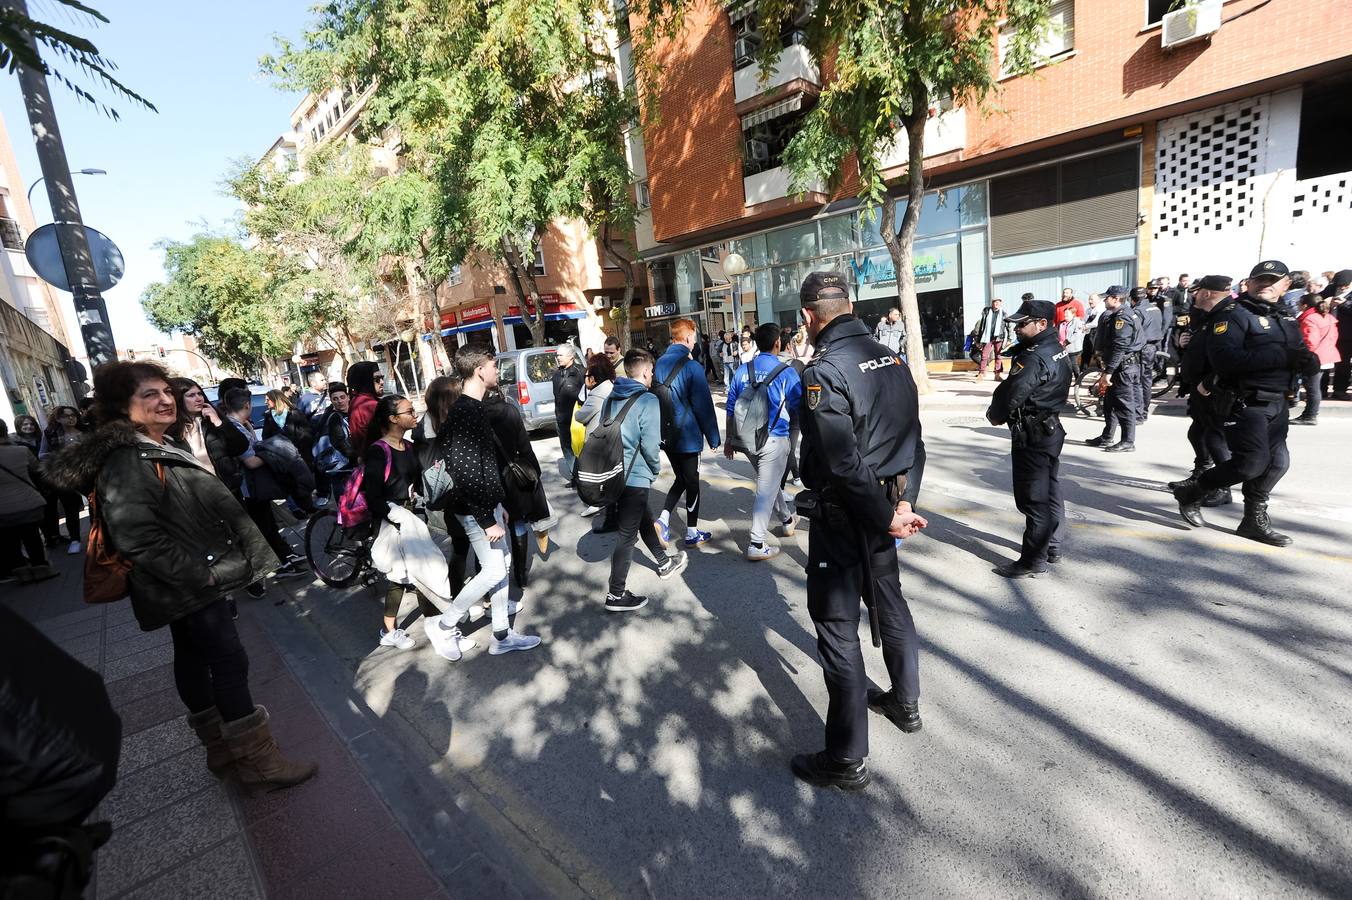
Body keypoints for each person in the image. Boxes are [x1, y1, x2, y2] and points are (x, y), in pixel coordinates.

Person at [42, 361, 315, 791]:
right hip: (186, 581)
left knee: (192, 656)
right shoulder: (130, 457)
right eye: (148, 394)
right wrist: (200, 576)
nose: (165, 399)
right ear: (120, 406)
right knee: (227, 659)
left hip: (180, 580)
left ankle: (222, 752)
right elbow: (137, 536)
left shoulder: (151, 445)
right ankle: (260, 762)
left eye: (165, 391)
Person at [790, 271, 928, 792]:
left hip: (849, 517)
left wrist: (888, 513)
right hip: (884, 508)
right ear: (848, 305)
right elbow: (914, 437)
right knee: (889, 602)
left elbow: (843, 463)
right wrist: (903, 499)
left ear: (809, 316)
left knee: (837, 626)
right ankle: (905, 702)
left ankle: (846, 758)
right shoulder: (892, 358)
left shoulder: (824, 372)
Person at [1173, 261, 1316, 546]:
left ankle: (1253, 519)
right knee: (1250, 464)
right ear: (1248, 284)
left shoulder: (1285, 318)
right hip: (1244, 402)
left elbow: (1300, 352)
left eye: (1273, 281)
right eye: (1260, 280)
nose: (1267, 285)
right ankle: (1193, 490)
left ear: (1286, 285)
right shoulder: (1235, 316)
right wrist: (1284, 357)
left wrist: (1308, 361)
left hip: (1278, 401)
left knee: (1278, 463)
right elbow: (1226, 361)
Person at [439, 345, 542, 656]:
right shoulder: (466, 411)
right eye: (493, 365)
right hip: (474, 512)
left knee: (503, 564)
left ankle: (501, 635)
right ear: (479, 370)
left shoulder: (473, 408)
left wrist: (499, 506)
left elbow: (484, 467)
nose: (497, 370)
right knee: (495, 571)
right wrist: (486, 519)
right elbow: (465, 471)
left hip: (487, 507)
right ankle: (445, 625)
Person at [361, 393, 470, 656]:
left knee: (409, 577)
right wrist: (398, 517)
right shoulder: (378, 451)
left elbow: (417, 482)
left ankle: (394, 631)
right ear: (393, 419)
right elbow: (372, 496)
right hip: (393, 523)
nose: (414, 415)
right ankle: (436, 632)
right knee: (416, 575)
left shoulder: (408, 447)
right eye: (409, 412)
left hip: (413, 519)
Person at [985, 301, 1073, 578]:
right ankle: (1052, 546)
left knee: (1033, 500)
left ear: (1042, 324)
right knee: (1050, 492)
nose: (1017, 328)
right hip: (1049, 428)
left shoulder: (1034, 356)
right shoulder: (1056, 348)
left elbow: (1014, 393)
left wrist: (995, 415)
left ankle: (1033, 560)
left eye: (1023, 324)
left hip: (1032, 433)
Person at [602, 348, 689, 612]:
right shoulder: (647, 400)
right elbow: (650, 445)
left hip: (615, 473)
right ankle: (616, 594)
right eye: (650, 370)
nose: (652, 374)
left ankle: (663, 562)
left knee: (643, 518)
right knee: (627, 535)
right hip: (635, 476)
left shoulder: (611, 396)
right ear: (643, 372)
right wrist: (653, 471)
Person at [725, 322, 802, 561]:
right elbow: (799, 407)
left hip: (747, 440)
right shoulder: (785, 371)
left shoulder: (742, 370)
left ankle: (787, 520)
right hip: (774, 439)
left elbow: (730, 407)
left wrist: (729, 440)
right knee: (766, 488)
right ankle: (757, 543)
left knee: (769, 483)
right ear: (778, 342)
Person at [220, 389, 307, 581]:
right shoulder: (233, 428)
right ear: (247, 405)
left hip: (252, 488)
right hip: (248, 488)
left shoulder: (237, 425)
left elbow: (255, 445)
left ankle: (285, 557)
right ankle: (280, 564)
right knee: (263, 527)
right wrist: (277, 453)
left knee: (268, 524)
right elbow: (251, 460)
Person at [1169, 275, 1236, 509]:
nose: (1193, 295)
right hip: (1198, 387)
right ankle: (1201, 474)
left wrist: (1209, 383)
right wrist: (1184, 342)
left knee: (1215, 439)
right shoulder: (1204, 315)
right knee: (1197, 433)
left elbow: (1227, 357)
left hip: (1213, 390)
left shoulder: (1227, 315)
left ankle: (1222, 487)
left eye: (1197, 291)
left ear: (1207, 293)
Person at [655, 318, 722, 547]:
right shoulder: (692, 367)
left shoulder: (659, 363)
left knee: (681, 478)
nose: (694, 342)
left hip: (666, 434)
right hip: (687, 436)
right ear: (687, 338)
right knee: (692, 482)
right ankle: (691, 531)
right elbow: (703, 406)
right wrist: (713, 437)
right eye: (693, 338)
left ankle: (663, 519)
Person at [484, 381, 553, 589]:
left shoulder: (475, 415)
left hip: (487, 476)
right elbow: (525, 446)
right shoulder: (510, 411)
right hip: (512, 476)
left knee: (489, 525)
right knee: (517, 522)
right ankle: (520, 574)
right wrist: (535, 471)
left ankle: (492, 578)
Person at [412, 376, 471, 596]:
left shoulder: (421, 427)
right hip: (454, 495)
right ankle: (473, 598)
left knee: (459, 546)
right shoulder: (451, 426)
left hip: (437, 497)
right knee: (468, 546)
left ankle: (456, 593)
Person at [1086, 286, 1143, 452]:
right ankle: (1107, 436)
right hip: (1118, 366)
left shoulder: (1122, 317)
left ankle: (1128, 441)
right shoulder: (1119, 314)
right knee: (1110, 404)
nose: (1104, 300)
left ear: (1116, 299)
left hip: (1123, 368)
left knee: (1124, 405)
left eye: (1107, 298)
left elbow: (1120, 347)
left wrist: (1109, 372)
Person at [0, 420, 57, 583]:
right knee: (32, 537)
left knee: (10, 541)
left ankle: (22, 573)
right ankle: (41, 569)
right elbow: (38, 469)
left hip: (2, 509)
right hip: (28, 502)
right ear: (5, 431)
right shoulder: (22, 450)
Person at [169, 377, 249, 493]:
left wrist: (218, 422)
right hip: (197, 493)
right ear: (179, 399)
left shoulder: (213, 420)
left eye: (200, 394)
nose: (198, 399)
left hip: (227, 490)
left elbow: (240, 447)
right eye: (191, 395)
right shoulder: (172, 429)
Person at [575, 356, 618, 527]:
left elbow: (580, 416)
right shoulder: (611, 388)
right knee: (611, 479)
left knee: (599, 480)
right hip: (611, 439)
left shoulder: (596, 395)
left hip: (598, 442)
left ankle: (609, 517)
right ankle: (611, 517)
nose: (585, 379)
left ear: (593, 378)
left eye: (587, 375)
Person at [38, 406, 86, 554]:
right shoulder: (51, 434)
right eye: (66, 416)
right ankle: (75, 539)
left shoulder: (85, 432)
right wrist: (61, 457)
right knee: (71, 508)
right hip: (64, 476)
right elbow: (42, 455)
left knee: (97, 504)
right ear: (58, 418)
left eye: (73, 415)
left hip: (87, 473)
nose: (70, 418)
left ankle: (100, 536)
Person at [1294, 293, 1338, 425]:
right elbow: (1334, 336)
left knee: (1312, 388)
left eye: (1299, 303)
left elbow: (1310, 341)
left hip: (1314, 357)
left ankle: (1310, 415)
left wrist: (1306, 357)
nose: (1297, 305)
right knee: (1314, 387)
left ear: (1305, 305)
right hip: (1326, 355)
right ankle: (1309, 415)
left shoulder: (1310, 318)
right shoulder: (1327, 316)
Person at [1132, 286, 1165, 424]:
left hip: (1142, 347)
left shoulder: (1137, 311)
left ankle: (1139, 414)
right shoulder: (1155, 308)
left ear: (1132, 299)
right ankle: (1144, 412)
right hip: (1154, 346)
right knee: (1146, 381)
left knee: (1138, 382)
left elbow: (1135, 332)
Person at [552, 345, 585, 480]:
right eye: (557, 355)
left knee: (581, 449)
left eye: (561, 355)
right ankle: (575, 476)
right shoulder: (556, 374)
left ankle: (584, 476)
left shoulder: (581, 372)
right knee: (567, 448)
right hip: (561, 418)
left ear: (571, 356)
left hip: (577, 420)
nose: (558, 358)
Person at [262, 388, 314, 468]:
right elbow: (266, 437)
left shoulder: (295, 413)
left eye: (268, 400)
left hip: (301, 458)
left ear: (276, 399)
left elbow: (307, 434)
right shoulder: (268, 417)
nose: (265, 402)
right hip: (281, 460)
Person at [345, 361, 384, 459]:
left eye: (382, 377)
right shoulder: (368, 405)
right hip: (380, 460)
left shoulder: (358, 400)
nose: (382, 382)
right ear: (365, 381)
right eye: (377, 379)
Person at [1327, 270, 1352, 399]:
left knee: (1343, 363)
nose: (1342, 288)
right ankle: (1321, 389)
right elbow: (1316, 299)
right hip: (1328, 332)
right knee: (1325, 362)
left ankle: (1340, 390)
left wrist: (1345, 304)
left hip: (1346, 335)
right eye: (1339, 285)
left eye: (1345, 285)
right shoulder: (1331, 290)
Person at [971, 298, 1007, 380]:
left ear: (1000, 304)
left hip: (999, 337)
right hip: (987, 337)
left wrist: (1009, 339)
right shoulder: (986, 312)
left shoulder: (1004, 314)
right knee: (984, 356)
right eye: (994, 302)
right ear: (992, 303)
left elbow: (1009, 326)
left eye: (998, 302)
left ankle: (997, 374)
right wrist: (978, 339)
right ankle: (981, 373)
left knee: (998, 356)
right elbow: (981, 326)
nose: (996, 304)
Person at [1082, 293, 1104, 367]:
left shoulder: (1101, 309)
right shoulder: (1088, 310)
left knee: (1097, 353)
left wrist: (1085, 326)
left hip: (1097, 334)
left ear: (1098, 300)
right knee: (1085, 353)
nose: (1089, 301)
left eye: (1092, 299)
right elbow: (1084, 320)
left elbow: (1096, 323)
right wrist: (1082, 325)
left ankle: (1101, 371)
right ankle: (1083, 371)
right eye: (1089, 299)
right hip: (1088, 333)